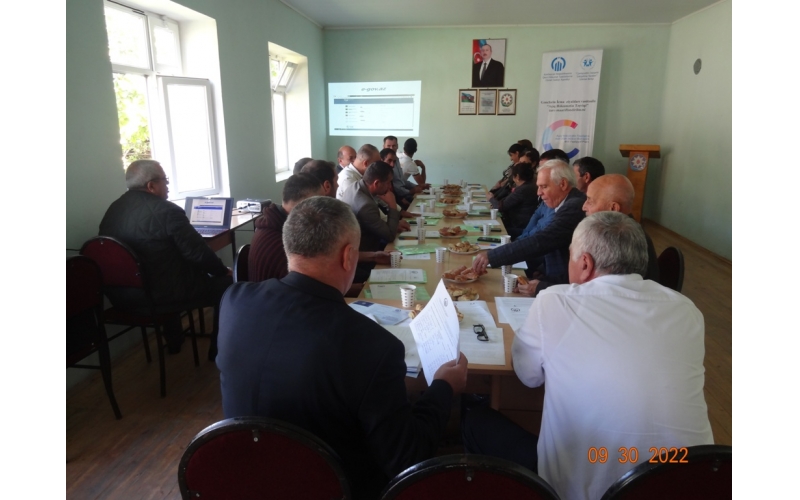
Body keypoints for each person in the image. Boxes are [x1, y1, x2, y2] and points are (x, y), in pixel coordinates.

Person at [217, 196, 468, 499]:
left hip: (244, 480)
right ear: (349, 257)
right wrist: (443, 387)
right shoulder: (373, 346)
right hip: (334, 486)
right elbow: (407, 457)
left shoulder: (235, 301)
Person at [463, 211, 713, 500]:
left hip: (590, 491)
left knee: (476, 421)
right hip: (689, 480)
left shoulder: (555, 301)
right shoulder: (687, 310)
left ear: (585, 264)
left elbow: (527, 376)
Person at [98, 160, 232, 354]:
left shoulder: (113, 210)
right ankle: (217, 351)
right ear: (151, 186)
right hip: (159, 296)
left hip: (120, 296)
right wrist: (222, 271)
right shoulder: (168, 211)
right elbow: (198, 253)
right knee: (227, 284)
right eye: (165, 180)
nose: (168, 185)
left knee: (165, 271)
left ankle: (174, 341)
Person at [473, 160, 585, 296]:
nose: (538, 193)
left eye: (544, 187)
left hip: (564, 290)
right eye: (538, 187)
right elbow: (556, 247)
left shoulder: (574, 206)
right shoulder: (564, 202)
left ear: (563, 184)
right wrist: (539, 274)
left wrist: (492, 256)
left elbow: (543, 240)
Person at [248, 173, 324, 282]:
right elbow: (308, 285)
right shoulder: (281, 243)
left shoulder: (275, 223)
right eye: (320, 205)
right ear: (307, 204)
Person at [340, 161, 410, 253]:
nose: (390, 187)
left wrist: (393, 224)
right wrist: (392, 205)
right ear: (376, 183)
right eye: (388, 183)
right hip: (367, 251)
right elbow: (390, 236)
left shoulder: (355, 186)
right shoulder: (366, 206)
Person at [487, 162, 539, 233]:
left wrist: (491, 199)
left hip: (517, 225)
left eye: (512, 176)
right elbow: (506, 201)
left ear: (517, 176)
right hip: (520, 223)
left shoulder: (523, 190)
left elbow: (501, 207)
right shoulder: (530, 185)